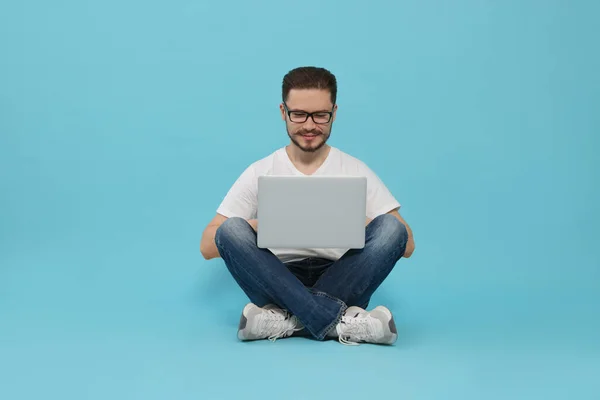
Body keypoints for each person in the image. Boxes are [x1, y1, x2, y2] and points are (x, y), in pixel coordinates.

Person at [200, 66, 415, 345]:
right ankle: (338, 323)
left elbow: (405, 243)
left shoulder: (355, 170)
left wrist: (346, 219)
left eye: (321, 115)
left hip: (344, 278)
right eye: (299, 114)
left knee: (391, 227)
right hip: (276, 278)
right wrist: (267, 225)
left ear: (334, 113)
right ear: (283, 112)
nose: (310, 125)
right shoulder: (260, 171)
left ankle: (287, 320)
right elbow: (209, 245)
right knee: (231, 229)